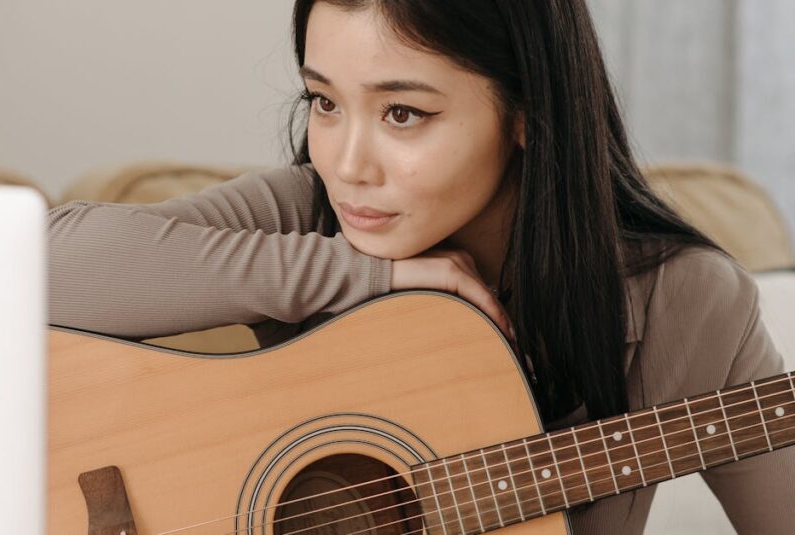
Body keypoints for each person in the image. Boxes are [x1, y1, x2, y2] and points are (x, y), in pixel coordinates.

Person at [47, 0, 794, 532]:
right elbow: (44, 262)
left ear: (531, 109)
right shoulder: (311, 213)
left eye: (403, 113)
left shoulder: (683, 301)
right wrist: (364, 274)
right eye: (324, 102)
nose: (345, 163)